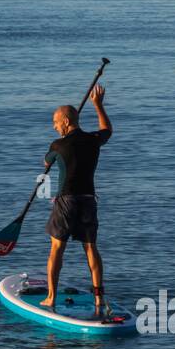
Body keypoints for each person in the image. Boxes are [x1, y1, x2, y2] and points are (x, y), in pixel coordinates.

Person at [39, 84, 112, 314]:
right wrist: (98, 105)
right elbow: (107, 129)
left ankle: (50, 298)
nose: (54, 126)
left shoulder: (58, 145)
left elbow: (46, 162)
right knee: (91, 249)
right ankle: (99, 300)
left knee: (56, 249)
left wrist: (51, 158)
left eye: (56, 122)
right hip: (89, 201)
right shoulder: (93, 140)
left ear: (66, 122)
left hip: (67, 202)